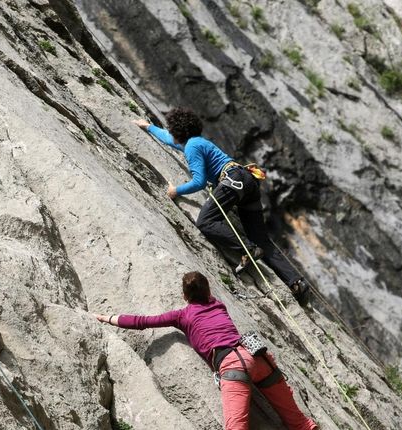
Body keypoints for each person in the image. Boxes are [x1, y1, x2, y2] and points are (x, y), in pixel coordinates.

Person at [95, 271, 318, 430]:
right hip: (258, 358)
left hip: (232, 366)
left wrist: (107, 318)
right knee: (301, 423)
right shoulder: (218, 304)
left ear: (185, 296)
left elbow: (143, 321)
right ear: (209, 290)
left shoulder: (182, 316)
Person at [134, 108, 309, 305]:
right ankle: (297, 283)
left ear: (179, 132)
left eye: (172, 129)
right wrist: (149, 127)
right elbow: (167, 138)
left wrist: (177, 191)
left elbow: (199, 181)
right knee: (262, 238)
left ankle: (248, 250)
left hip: (232, 182)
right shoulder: (195, 142)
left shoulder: (192, 146)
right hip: (245, 181)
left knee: (206, 221)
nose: (170, 132)